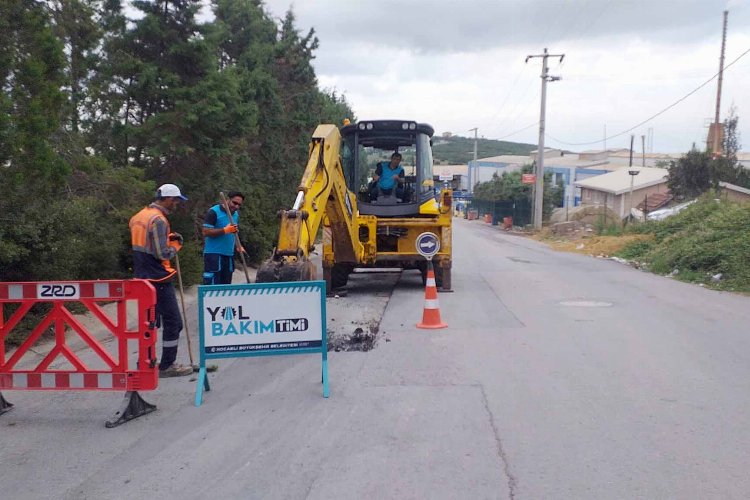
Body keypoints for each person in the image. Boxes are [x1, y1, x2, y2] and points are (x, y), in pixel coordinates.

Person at [129, 183, 193, 378]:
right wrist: (174, 245)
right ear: (167, 199)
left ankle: (144, 364)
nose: (176, 204)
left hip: (142, 277)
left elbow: (146, 243)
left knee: (149, 323)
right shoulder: (159, 220)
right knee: (173, 322)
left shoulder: (139, 216)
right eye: (175, 200)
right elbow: (161, 253)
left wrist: (166, 239)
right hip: (158, 277)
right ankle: (167, 365)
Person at [202, 191, 246, 285]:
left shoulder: (235, 214)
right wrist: (225, 230)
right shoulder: (214, 212)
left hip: (228, 255)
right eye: (234, 203)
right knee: (213, 285)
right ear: (228, 199)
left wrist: (238, 246)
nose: (236, 206)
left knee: (225, 287)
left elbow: (232, 233)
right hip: (214, 254)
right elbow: (206, 232)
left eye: (239, 205)